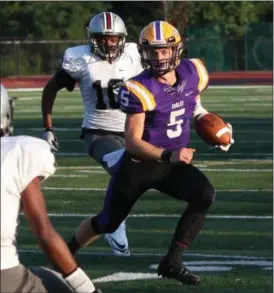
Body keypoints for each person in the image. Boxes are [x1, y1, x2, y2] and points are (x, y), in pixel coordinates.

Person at [67, 20, 234, 285]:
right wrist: (168, 156)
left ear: (176, 50)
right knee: (108, 222)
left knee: (204, 194)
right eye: (153, 51)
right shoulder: (139, 87)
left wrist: (215, 129)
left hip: (171, 163)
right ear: (144, 53)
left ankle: (172, 262)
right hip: (139, 165)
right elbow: (132, 141)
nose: (159, 57)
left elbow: (194, 104)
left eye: (164, 51)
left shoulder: (194, 71)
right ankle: (66, 253)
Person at [41, 12, 144, 257]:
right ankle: (114, 223)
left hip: (133, 129)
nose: (109, 43)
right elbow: (50, 89)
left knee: (142, 175)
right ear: (92, 38)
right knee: (123, 170)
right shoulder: (80, 59)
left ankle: (104, 223)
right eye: (103, 38)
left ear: (122, 38)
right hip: (98, 132)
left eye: (113, 38)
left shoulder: (135, 54)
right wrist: (48, 127)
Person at [0, 84, 101, 293]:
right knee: (54, 284)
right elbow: (45, 236)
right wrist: (87, 289)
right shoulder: (17, 151)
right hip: (4, 274)